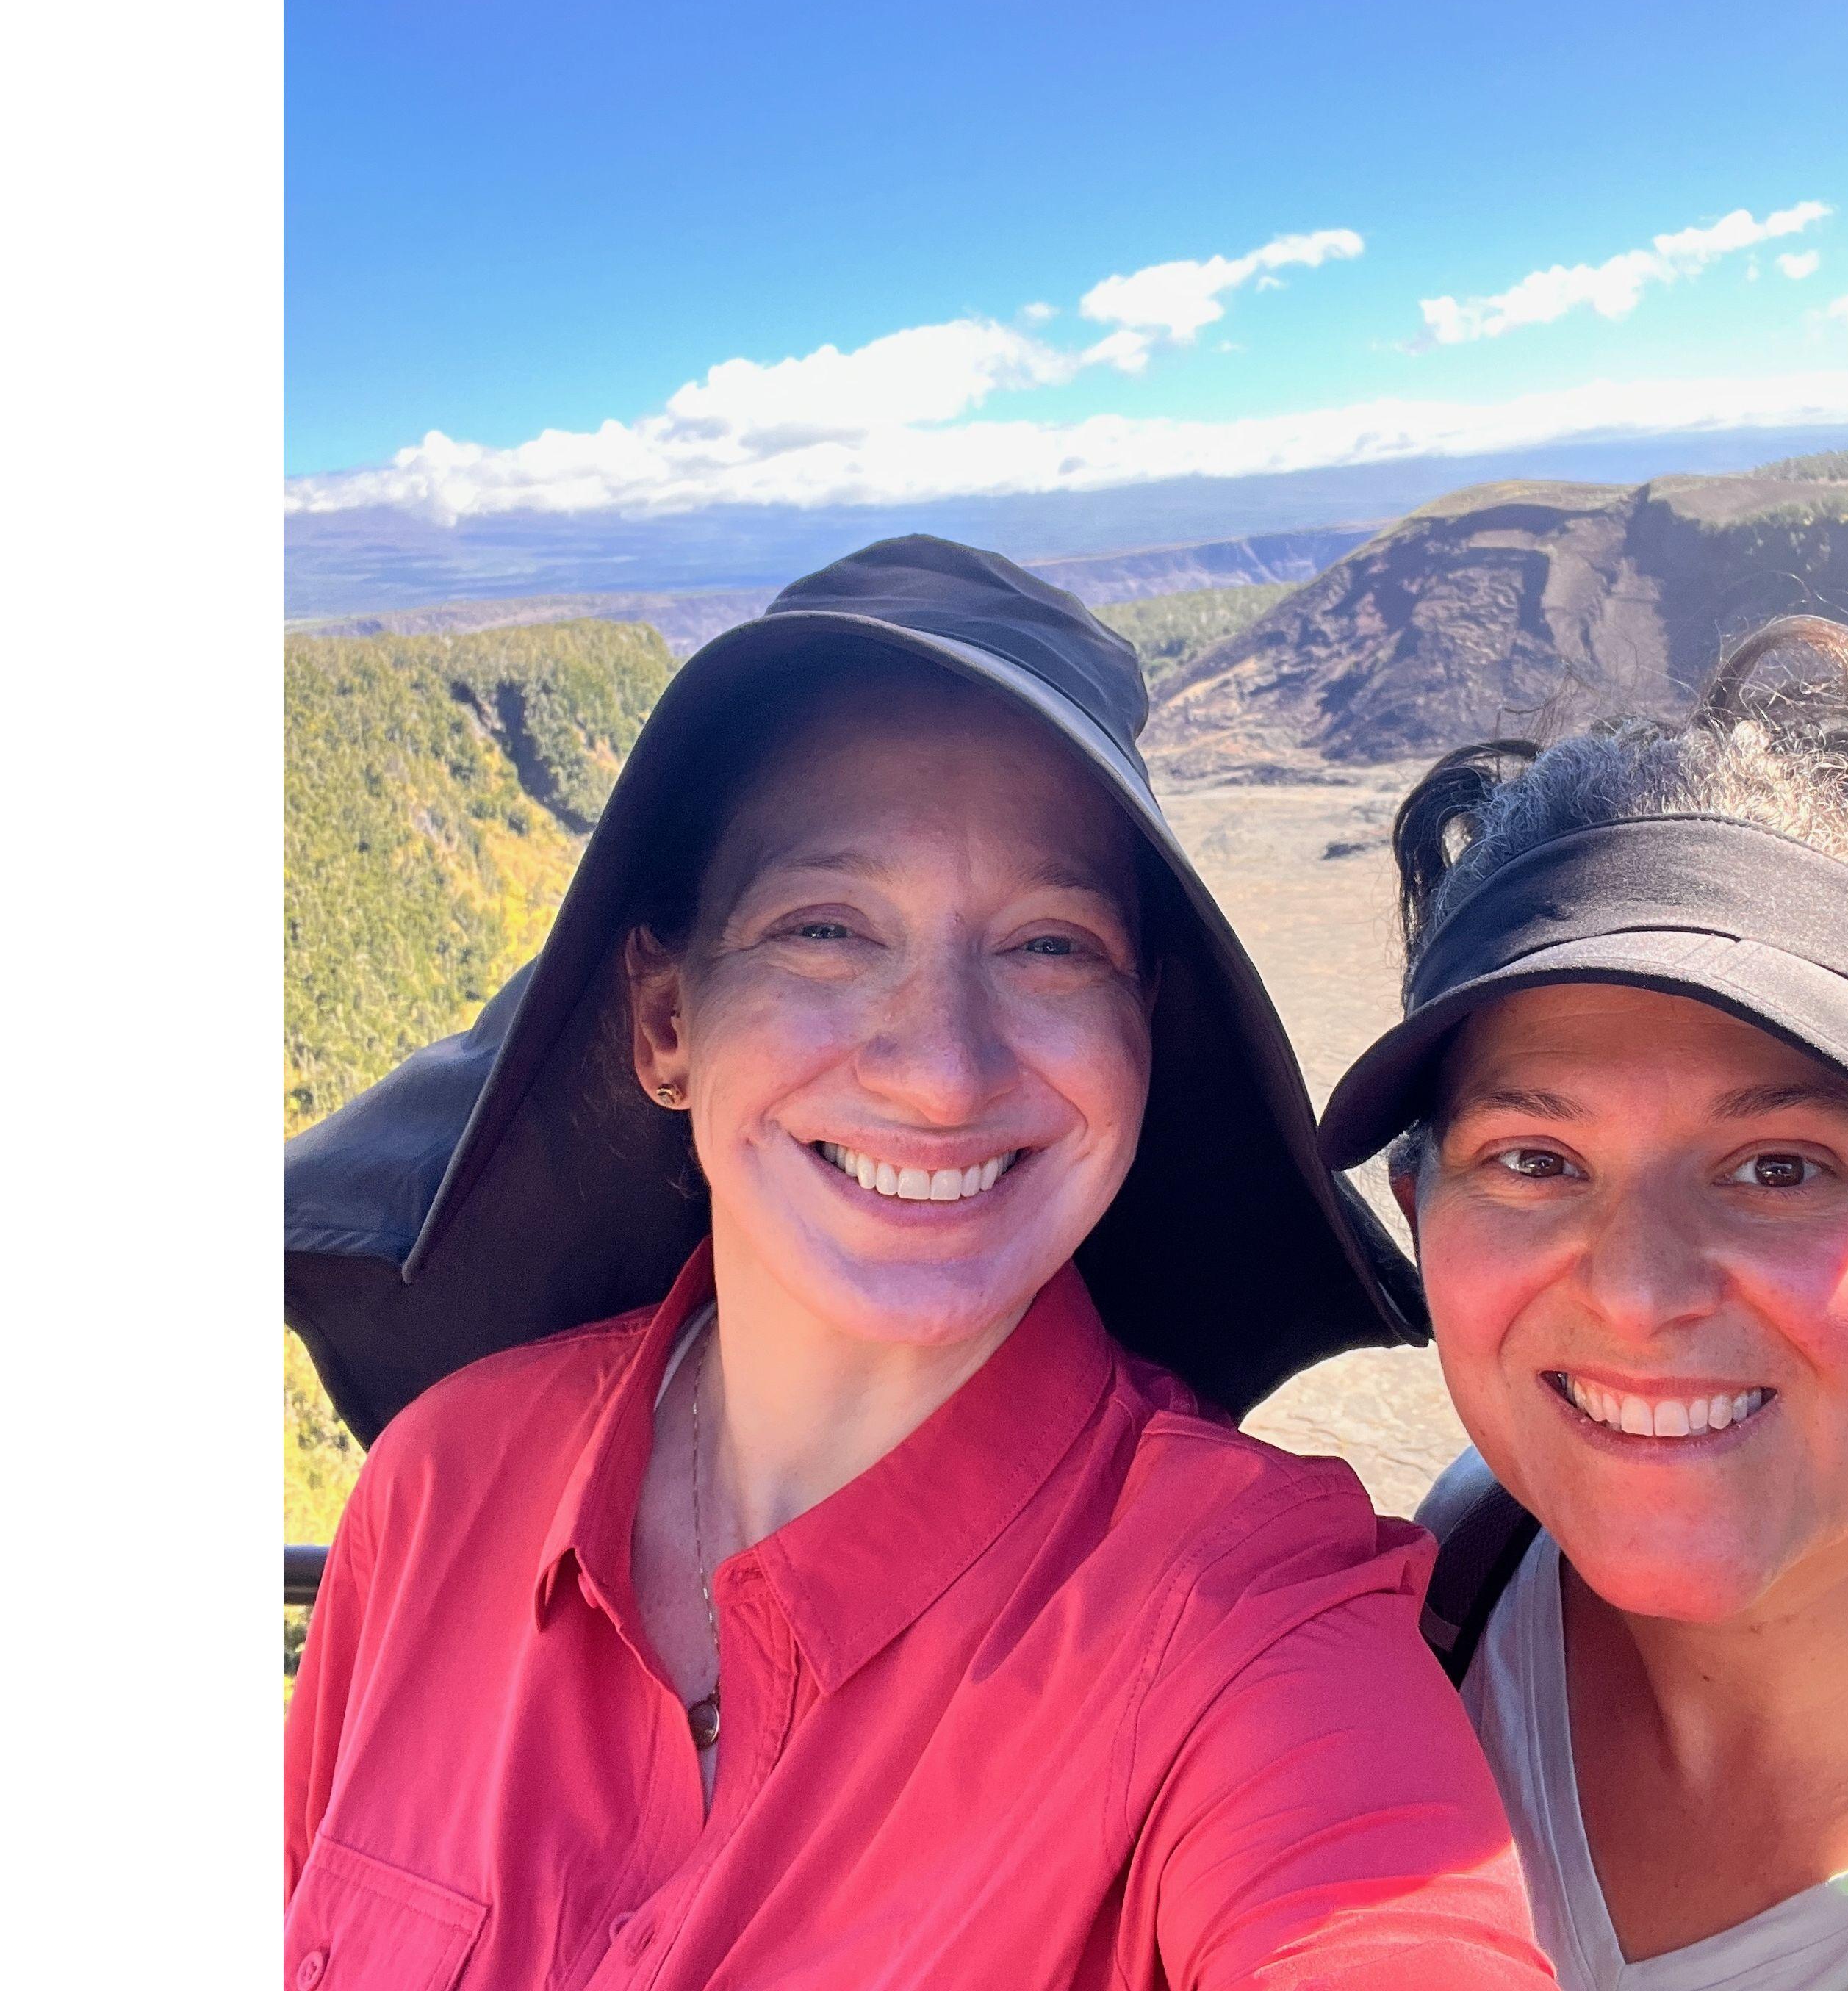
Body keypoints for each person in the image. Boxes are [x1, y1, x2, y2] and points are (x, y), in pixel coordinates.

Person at [284, 537, 1555, 1991]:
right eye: (824, 929)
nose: (944, 1070)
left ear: (1141, 1032)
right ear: (666, 1024)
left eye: (1049, 945)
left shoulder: (1246, 1615)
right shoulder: (437, 1491)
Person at [1317, 619, 1848, 1991]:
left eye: (1778, 1168)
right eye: (1535, 1162)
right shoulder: (1451, 1589)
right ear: (1420, 1222)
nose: (1635, 1292)